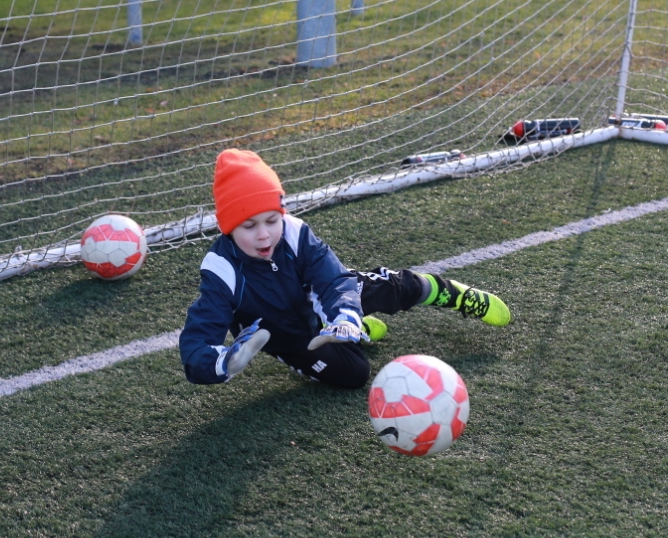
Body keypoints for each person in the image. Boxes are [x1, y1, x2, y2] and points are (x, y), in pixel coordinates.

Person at [179, 149, 511, 389]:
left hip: (325, 296)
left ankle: (452, 294)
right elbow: (199, 337)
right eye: (249, 225)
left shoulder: (295, 234)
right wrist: (223, 362)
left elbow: (333, 279)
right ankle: (353, 328)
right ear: (228, 228)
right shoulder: (222, 270)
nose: (264, 233)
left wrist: (345, 314)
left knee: (394, 289)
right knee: (354, 376)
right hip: (287, 336)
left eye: (271, 220)